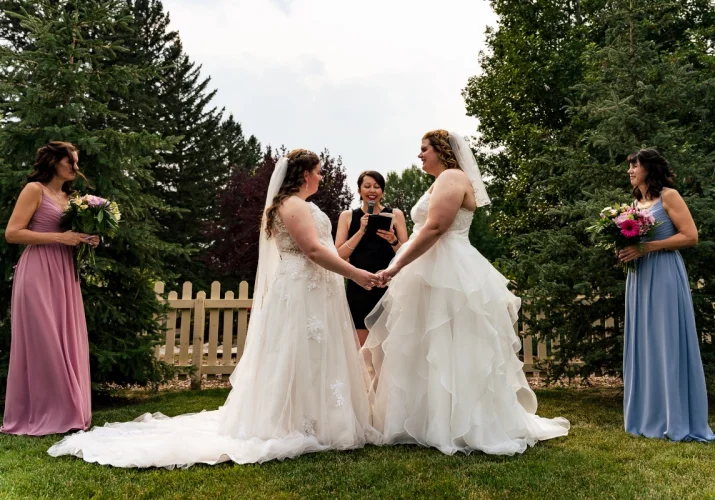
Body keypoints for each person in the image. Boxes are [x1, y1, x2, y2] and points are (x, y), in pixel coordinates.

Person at [48, 149, 380, 467]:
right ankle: (297, 422)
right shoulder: (292, 206)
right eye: (319, 172)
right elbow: (313, 251)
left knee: (317, 355)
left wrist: (349, 271)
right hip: (300, 290)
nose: (321, 177)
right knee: (297, 353)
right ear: (305, 174)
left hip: (318, 289)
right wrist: (356, 275)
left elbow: (327, 250)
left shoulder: (303, 205)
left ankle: (323, 418)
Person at [363, 130, 570, 456]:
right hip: (430, 270)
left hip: (450, 271)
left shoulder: (452, 177)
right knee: (426, 345)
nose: (419, 156)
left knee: (455, 344)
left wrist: (395, 265)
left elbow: (434, 228)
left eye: (423, 150)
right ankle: (426, 420)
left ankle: (464, 423)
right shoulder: (440, 181)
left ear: (441, 151)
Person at [2, 142, 98, 436]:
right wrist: (60, 239)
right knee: (45, 340)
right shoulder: (35, 190)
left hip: (64, 272)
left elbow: (68, 235)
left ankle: (68, 410)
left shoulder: (71, 198)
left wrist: (85, 239)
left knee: (66, 337)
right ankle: (44, 412)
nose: (75, 168)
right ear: (54, 161)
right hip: (37, 271)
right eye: (70, 162)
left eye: (77, 162)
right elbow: (12, 233)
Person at [619, 149, 714, 441]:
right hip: (640, 276)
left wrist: (647, 247)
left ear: (649, 167)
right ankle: (649, 416)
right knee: (645, 341)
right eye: (629, 167)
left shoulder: (669, 196)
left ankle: (675, 418)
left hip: (664, 274)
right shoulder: (636, 202)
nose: (630, 171)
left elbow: (691, 235)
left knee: (667, 339)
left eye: (634, 165)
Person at [335, 171, 408, 346]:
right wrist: (361, 231)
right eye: (367, 186)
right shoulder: (347, 216)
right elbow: (338, 255)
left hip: (389, 288)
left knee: (388, 348)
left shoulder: (396, 215)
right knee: (361, 350)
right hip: (359, 288)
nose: (372, 190)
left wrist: (393, 239)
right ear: (359, 190)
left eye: (377, 186)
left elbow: (407, 254)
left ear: (382, 191)